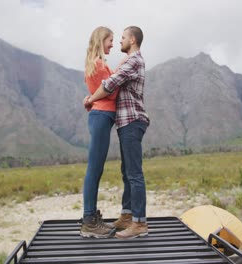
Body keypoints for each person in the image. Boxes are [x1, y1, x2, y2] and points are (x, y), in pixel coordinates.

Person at [84, 26, 149, 239]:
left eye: (120, 38)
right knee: (127, 171)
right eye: (112, 39)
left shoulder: (133, 61)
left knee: (133, 173)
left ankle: (138, 223)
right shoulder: (128, 61)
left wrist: (91, 98)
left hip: (131, 120)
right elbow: (115, 76)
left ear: (131, 39)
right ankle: (128, 215)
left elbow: (111, 83)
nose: (117, 42)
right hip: (124, 121)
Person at [79, 26, 119, 238]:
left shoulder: (94, 64)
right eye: (110, 40)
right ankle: (89, 221)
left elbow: (101, 91)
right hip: (102, 116)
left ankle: (91, 217)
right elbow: (112, 93)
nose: (112, 44)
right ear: (101, 40)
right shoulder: (99, 64)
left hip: (100, 116)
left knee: (96, 169)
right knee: (94, 169)